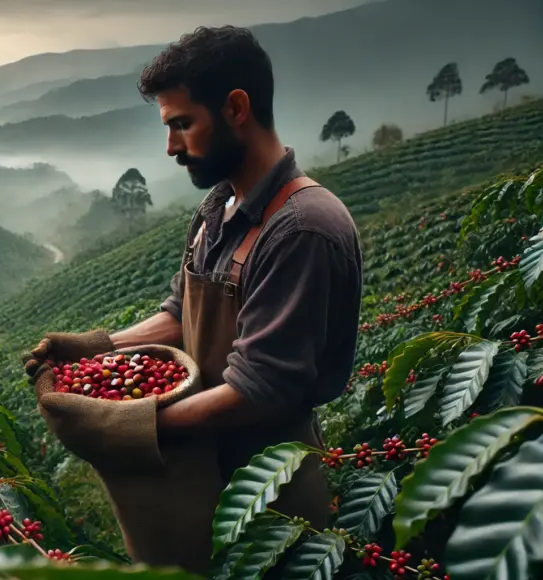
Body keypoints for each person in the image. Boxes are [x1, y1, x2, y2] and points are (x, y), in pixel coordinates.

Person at [24, 25, 363, 570]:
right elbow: (181, 316)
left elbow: (262, 390)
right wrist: (97, 349)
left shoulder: (302, 228)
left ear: (235, 108)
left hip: (271, 497)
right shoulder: (219, 207)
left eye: (182, 124)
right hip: (208, 474)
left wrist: (135, 425)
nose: (171, 146)